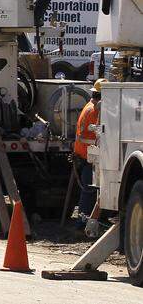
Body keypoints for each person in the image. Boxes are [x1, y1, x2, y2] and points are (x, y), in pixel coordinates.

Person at [74, 80, 102, 228]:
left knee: (90, 190)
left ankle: (85, 220)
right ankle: (82, 222)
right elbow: (87, 135)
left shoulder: (89, 107)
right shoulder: (94, 110)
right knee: (90, 190)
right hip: (88, 155)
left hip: (86, 154)